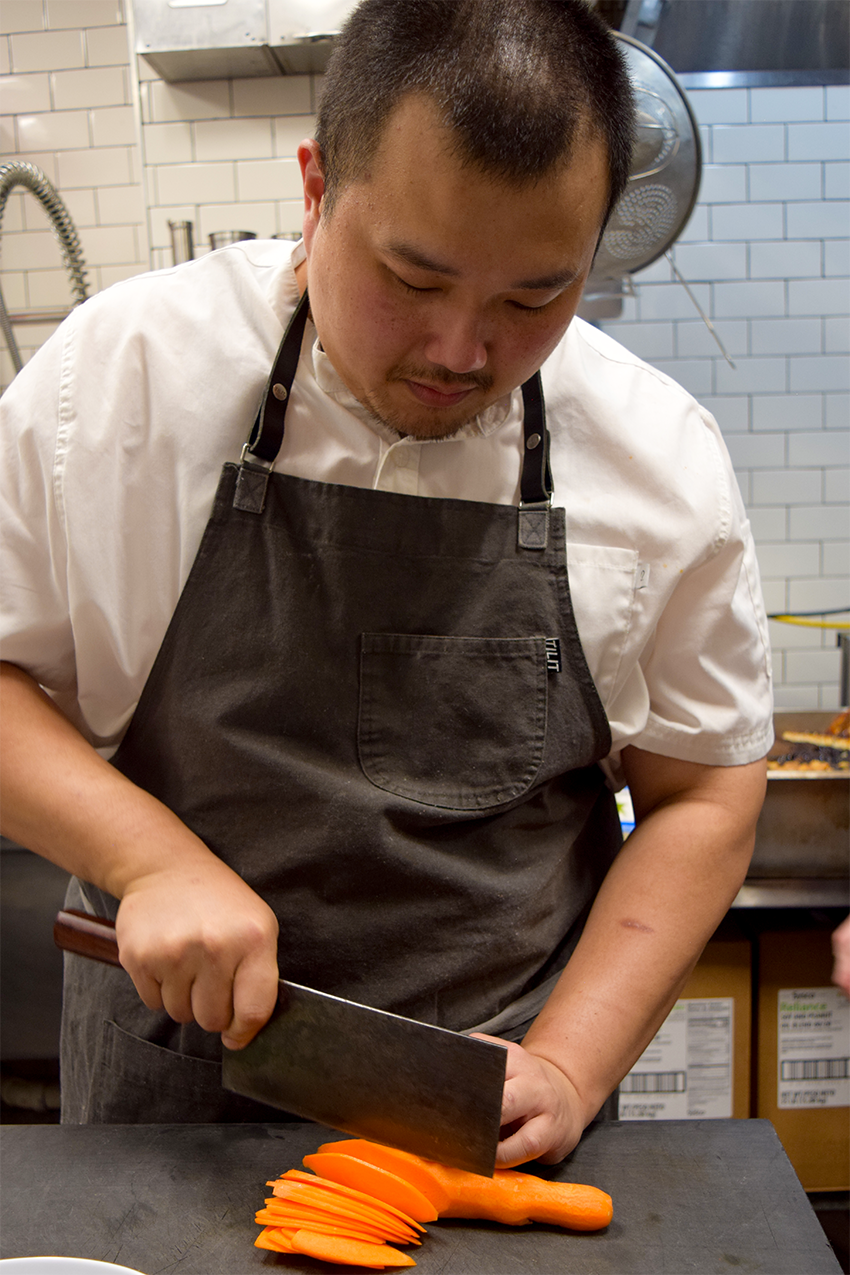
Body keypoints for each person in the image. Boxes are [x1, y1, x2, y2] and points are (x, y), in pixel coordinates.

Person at [0, 0, 773, 1163]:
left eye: (532, 299)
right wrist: (146, 859)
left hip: (489, 1114)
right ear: (315, 190)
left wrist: (570, 1061)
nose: (463, 350)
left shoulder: (658, 459)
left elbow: (704, 794)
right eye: (411, 278)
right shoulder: (118, 383)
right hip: (166, 1109)